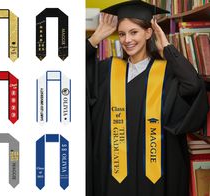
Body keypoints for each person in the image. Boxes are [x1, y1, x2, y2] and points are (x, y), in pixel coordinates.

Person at [86, 1, 208, 196]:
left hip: (155, 175)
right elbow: (71, 72)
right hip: (113, 174)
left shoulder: (166, 73)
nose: (127, 40)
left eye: (134, 32)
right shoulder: (107, 72)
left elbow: (193, 86)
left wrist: (167, 48)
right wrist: (96, 37)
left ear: (148, 33)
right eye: (123, 33)